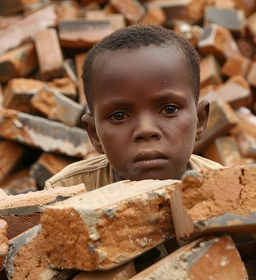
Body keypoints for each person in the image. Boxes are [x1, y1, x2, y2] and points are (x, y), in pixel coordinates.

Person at [45, 24, 223, 191]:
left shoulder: (225, 188)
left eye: (169, 109)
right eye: (119, 115)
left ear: (199, 121)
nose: (146, 130)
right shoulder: (67, 193)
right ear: (94, 133)